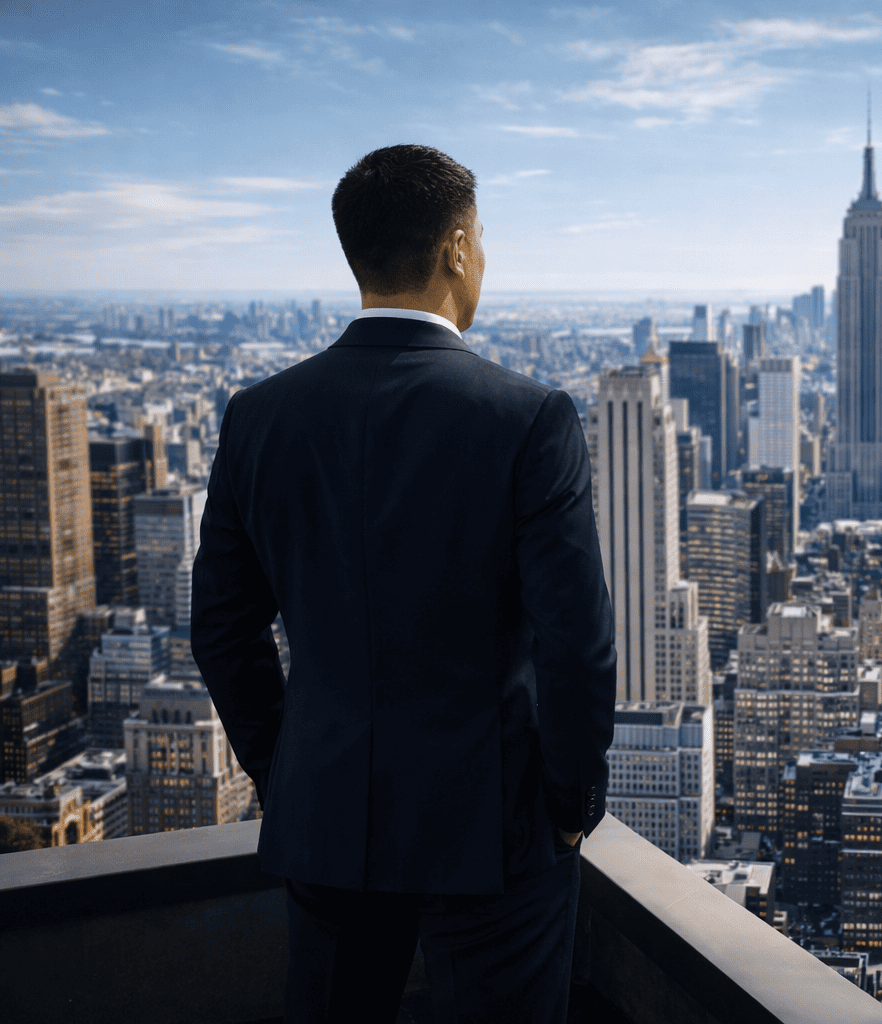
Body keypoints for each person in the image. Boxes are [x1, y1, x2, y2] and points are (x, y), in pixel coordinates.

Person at [191, 144, 616, 1024]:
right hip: (493, 836)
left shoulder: (259, 416)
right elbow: (575, 644)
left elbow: (223, 634)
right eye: (484, 237)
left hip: (326, 825)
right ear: (458, 248)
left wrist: (290, 774)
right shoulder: (531, 418)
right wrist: (570, 806)